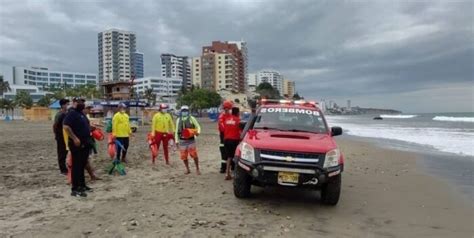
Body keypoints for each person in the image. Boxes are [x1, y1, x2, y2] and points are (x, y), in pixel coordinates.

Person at [63, 98, 92, 197]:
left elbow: (84, 125)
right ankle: (75, 189)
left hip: (85, 142)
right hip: (77, 144)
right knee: (77, 166)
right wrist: (75, 138)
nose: (82, 104)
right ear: (74, 103)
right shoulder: (72, 113)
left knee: (82, 165)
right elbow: (66, 127)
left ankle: (83, 185)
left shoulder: (81, 113)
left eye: (83, 102)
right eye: (80, 102)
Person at [175, 105, 201, 175]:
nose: (184, 112)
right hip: (182, 140)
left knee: (194, 154)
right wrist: (176, 141)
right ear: (181, 111)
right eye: (183, 111)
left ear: (188, 111)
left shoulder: (192, 118)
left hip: (191, 140)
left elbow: (198, 126)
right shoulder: (178, 120)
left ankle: (197, 168)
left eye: (185, 111)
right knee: (183, 156)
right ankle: (187, 169)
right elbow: (177, 130)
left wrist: (198, 132)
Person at [222, 106, 241, 180]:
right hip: (234, 140)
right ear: (237, 113)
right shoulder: (238, 120)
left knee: (229, 157)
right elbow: (240, 131)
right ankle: (236, 173)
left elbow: (223, 129)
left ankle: (227, 173)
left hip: (226, 140)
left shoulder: (227, 120)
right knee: (236, 157)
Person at [53, 98, 70, 175]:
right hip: (61, 136)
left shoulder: (67, 113)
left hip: (66, 136)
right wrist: (57, 135)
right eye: (67, 104)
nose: (68, 106)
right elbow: (55, 126)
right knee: (61, 153)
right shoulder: (59, 114)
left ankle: (66, 167)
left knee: (66, 152)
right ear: (63, 105)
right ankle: (63, 170)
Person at [218, 100, 233, 173]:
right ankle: (223, 168)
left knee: (231, 151)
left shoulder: (232, 116)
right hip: (224, 135)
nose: (226, 109)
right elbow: (222, 127)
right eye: (225, 108)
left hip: (230, 135)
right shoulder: (221, 116)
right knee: (223, 151)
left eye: (228, 108)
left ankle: (231, 167)